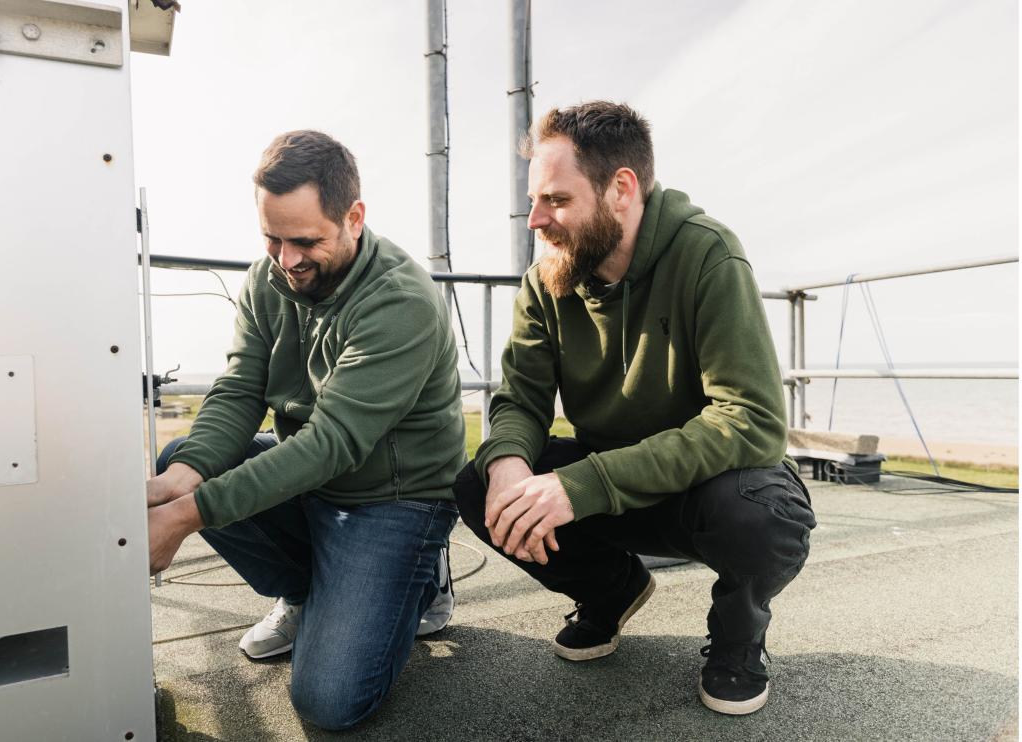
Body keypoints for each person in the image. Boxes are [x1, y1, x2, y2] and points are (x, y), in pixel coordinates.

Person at [454, 101, 816, 716]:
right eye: (535, 201)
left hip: (707, 488)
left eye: (556, 200)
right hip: (612, 482)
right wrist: (511, 463)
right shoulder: (546, 280)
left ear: (621, 189)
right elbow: (520, 398)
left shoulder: (708, 254)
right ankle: (612, 590)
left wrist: (581, 485)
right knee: (478, 484)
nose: (535, 219)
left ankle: (738, 633)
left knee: (765, 514)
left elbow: (751, 420)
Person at [144, 130, 466, 730]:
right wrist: (183, 481)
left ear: (354, 217)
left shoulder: (401, 300)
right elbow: (241, 389)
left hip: (392, 498)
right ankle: (305, 593)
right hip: (311, 477)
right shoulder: (267, 280)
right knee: (184, 454)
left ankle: (423, 573)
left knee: (330, 702)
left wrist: (187, 515)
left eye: (305, 241)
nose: (287, 260)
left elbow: (333, 443)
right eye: (272, 238)